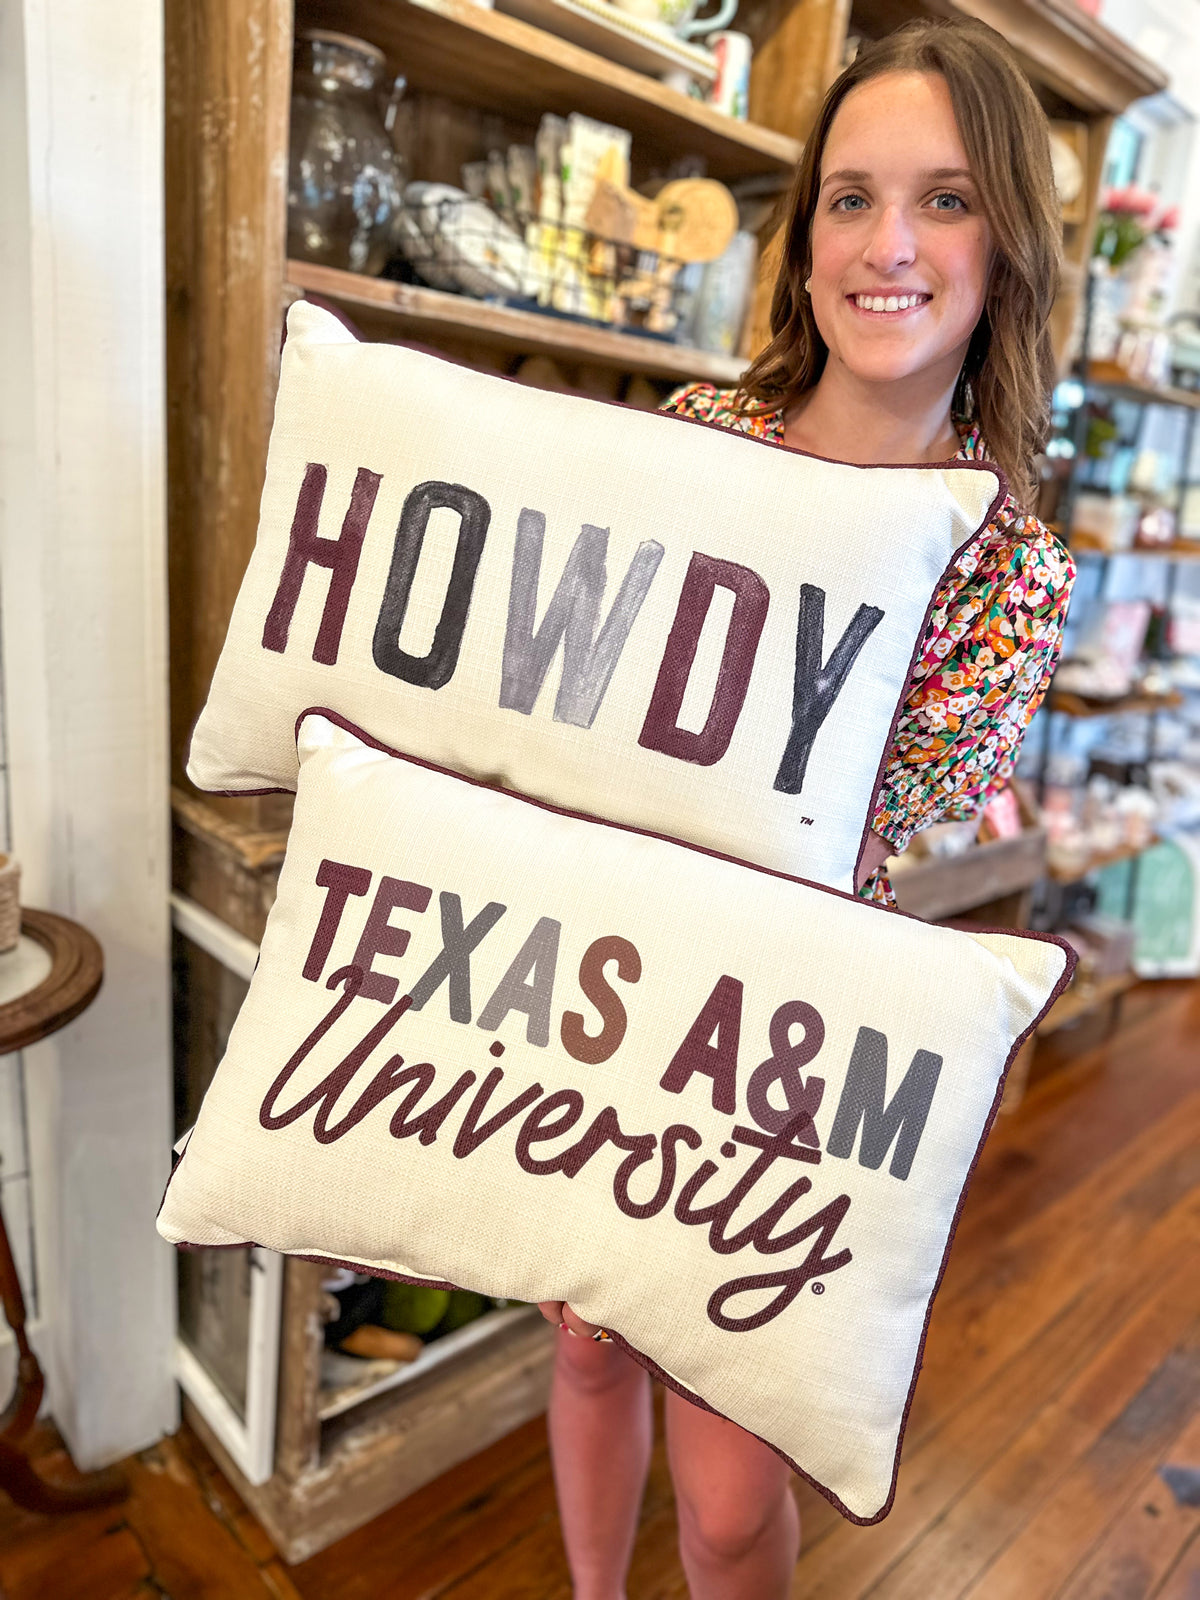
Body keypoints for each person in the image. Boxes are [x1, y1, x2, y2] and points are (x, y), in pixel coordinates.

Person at [537, 16, 1076, 1598]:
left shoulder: (1009, 565)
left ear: (1009, 244)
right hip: (606, 973)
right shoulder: (700, 442)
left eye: (945, 199)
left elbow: (864, 836)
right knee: (580, 1354)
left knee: (725, 1499)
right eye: (850, 197)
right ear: (806, 234)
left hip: (783, 1041)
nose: (889, 244)